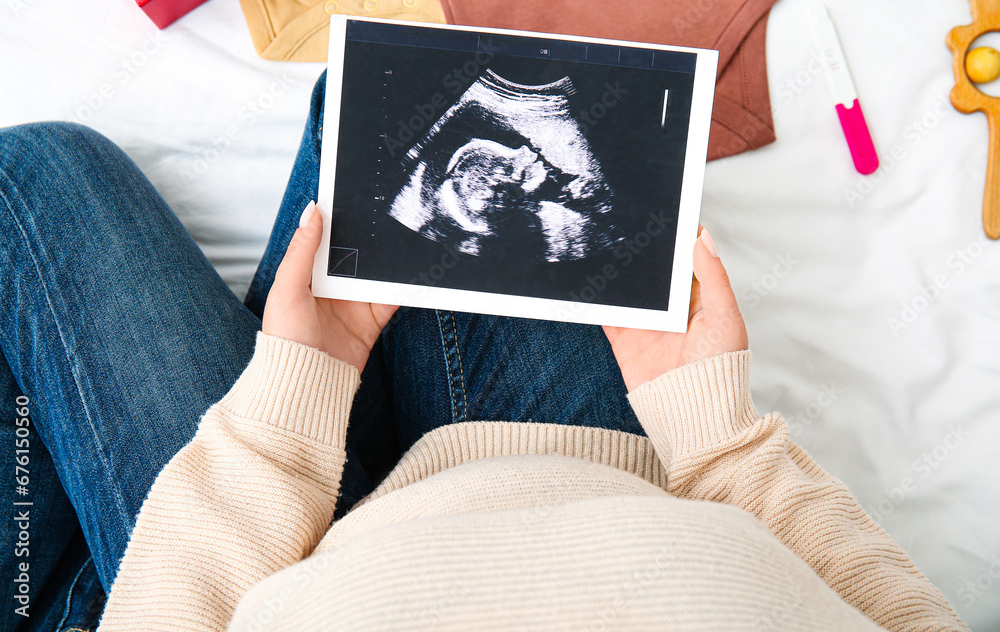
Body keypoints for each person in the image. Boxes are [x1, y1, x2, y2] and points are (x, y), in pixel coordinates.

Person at [0, 74, 967, 631]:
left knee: (38, 174)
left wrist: (290, 412)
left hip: (247, 576)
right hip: (594, 471)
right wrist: (721, 436)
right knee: (384, 92)